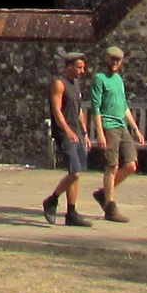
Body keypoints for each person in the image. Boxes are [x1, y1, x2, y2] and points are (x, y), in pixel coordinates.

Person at [42, 51, 94, 226]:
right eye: (79, 67)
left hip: (76, 133)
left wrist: (84, 133)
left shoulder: (75, 84)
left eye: (83, 67)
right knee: (75, 172)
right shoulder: (59, 84)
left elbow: (78, 111)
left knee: (77, 173)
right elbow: (56, 110)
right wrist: (67, 130)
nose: (82, 71)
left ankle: (71, 213)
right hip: (65, 133)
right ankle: (51, 200)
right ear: (69, 66)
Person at [91, 44, 141, 223]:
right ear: (106, 59)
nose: (115, 63)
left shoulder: (118, 79)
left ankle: (103, 194)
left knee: (131, 165)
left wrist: (135, 128)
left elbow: (124, 105)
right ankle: (110, 207)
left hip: (122, 126)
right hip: (109, 125)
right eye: (113, 59)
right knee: (111, 166)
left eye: (118, 60)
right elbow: (96, 107)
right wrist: (100, 132)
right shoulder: (99, 79)